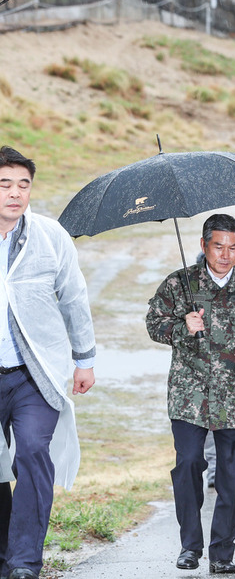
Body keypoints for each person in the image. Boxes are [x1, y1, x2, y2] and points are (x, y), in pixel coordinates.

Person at [146, 213, 235, 575]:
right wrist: (182, 327)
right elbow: (153, 323)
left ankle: (223, 550)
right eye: (218, 246)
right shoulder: (180, 284)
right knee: (189, 463)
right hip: (189, 395)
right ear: (204, 245)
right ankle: (190, 546)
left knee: (232, 476)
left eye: (233, 247)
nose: (226, 254)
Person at [0, 146, 97, 579]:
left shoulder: (49, 235)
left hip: (34, 372)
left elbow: (74, 297)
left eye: (23, 184)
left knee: (34, 453)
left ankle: (23, 563)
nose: (14, 194)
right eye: (5, 184)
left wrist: (84, 360)